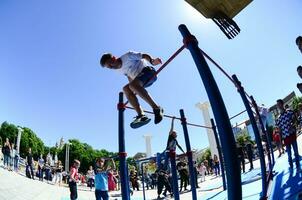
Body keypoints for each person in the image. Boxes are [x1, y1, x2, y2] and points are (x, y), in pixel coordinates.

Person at [100, 51, 164, 128]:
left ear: (114, 58)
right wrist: (131, 91)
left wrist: (152, 61)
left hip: (148, 72)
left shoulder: (127, 56)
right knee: (126, 89)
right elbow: (129, 76)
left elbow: (144, 56)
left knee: (132, 85)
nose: (111, 67)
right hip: (141, 81)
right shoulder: (118, 70)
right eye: (109, 67)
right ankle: (141, 116)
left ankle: (156, 108)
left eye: (110, 64)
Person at [276, 99, 300, 171]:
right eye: (277, 105)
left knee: (296, 152)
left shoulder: (289, 112)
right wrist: (281, 142)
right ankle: (291, 167)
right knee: (289, 154)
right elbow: (279, 130)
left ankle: (298, 165)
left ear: (282, 104)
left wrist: (292, 125)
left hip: (292, 135)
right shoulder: (278, 118)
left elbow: (295, 120)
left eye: (279, 104)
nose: (278, 106)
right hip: (286, 138)